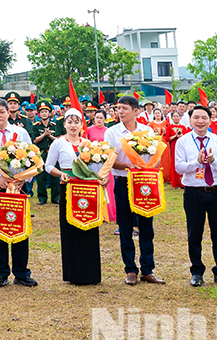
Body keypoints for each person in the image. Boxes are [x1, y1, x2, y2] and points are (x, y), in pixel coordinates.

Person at [0, 98, 38, 288]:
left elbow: (33, 156)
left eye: (2, 111)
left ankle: (21, 272)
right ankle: (1, 272)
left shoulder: (21, 132)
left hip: (18, 185)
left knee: (19, 226)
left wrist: (23, 179)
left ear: (7, 112)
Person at [104, 95, 164, 286]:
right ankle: (130, 269)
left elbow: (156, 154)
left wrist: (151, 167)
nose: (120, 111)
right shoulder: (112, 132)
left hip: (144, 182)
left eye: (124, 108)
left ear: (136, 111)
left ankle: (148, 269)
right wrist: (128, 166)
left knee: (147, 226)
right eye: (118, 108)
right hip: (123, 182)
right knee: (125, 227)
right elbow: (110, 160)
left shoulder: (147, 130)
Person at [175, 105, 217, 287]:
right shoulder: (183, 142)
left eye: (204, 118)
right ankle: (197, 271)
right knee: (194, 232)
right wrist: (196, 162)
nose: (200, 121)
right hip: (194, 192)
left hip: (216, 191)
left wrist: (214, 161)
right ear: (190, 120)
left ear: (210, 119)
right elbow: (179, 168)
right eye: (196, 118)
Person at [44, 108, 102, 285]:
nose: (73, 125)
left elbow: (95, 166)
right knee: (70, 229)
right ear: (64, 124)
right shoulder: (58, 143)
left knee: (89, 227)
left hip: (87, 188)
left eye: (77, 121)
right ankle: (74, 272)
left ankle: (91, 273)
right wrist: (60, 173)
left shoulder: (87, 143)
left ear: (81, 124)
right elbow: (48, 166)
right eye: (70, 122)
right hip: (68, 187)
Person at [31, 102, 58, 205]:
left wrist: (50, 136)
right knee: (41, 177)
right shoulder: (36, 126)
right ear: (39, 114)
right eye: (42, 112)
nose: (44, 114)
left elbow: (58, 139)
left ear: (49, 113)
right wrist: (44, 134)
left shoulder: (54, 125)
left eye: (46, 111)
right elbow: (35, 140)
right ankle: (42, 198)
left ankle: (55, 197)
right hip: (41, 153)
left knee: (55, 176)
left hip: (53, 153)